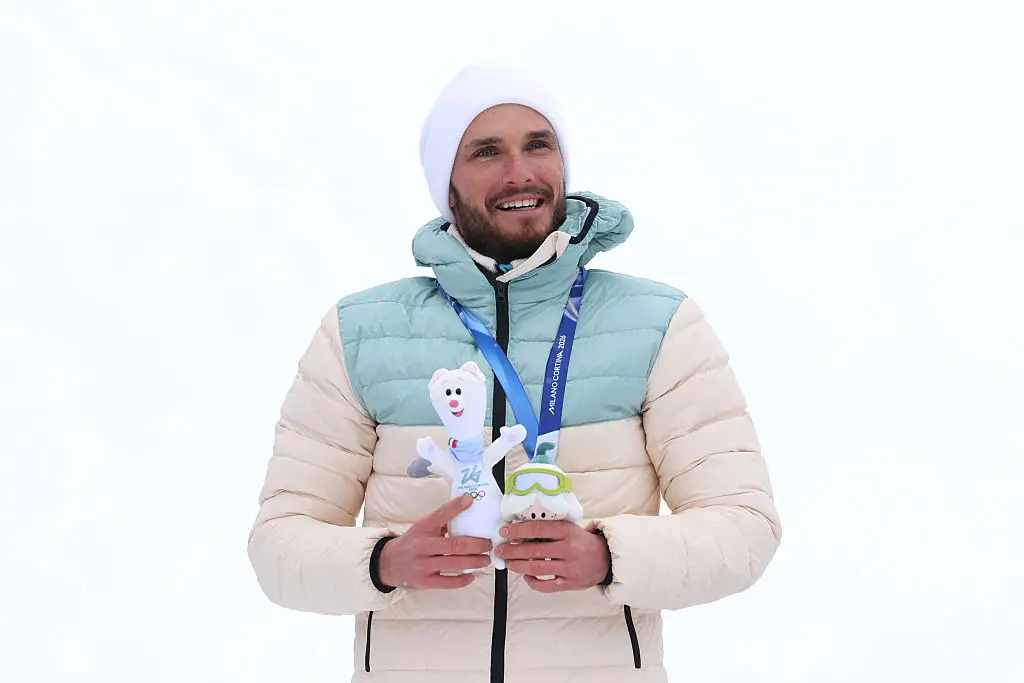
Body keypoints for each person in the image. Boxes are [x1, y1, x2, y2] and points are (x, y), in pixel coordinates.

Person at [247, 64, 782, 683]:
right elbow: (279, 545)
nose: (519, 172)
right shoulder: (360, 331)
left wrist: (609, 556)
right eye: (486, 151)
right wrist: (384, 562)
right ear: (447, 187)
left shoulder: (659, 324)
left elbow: (744, 527)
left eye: (538, 144)